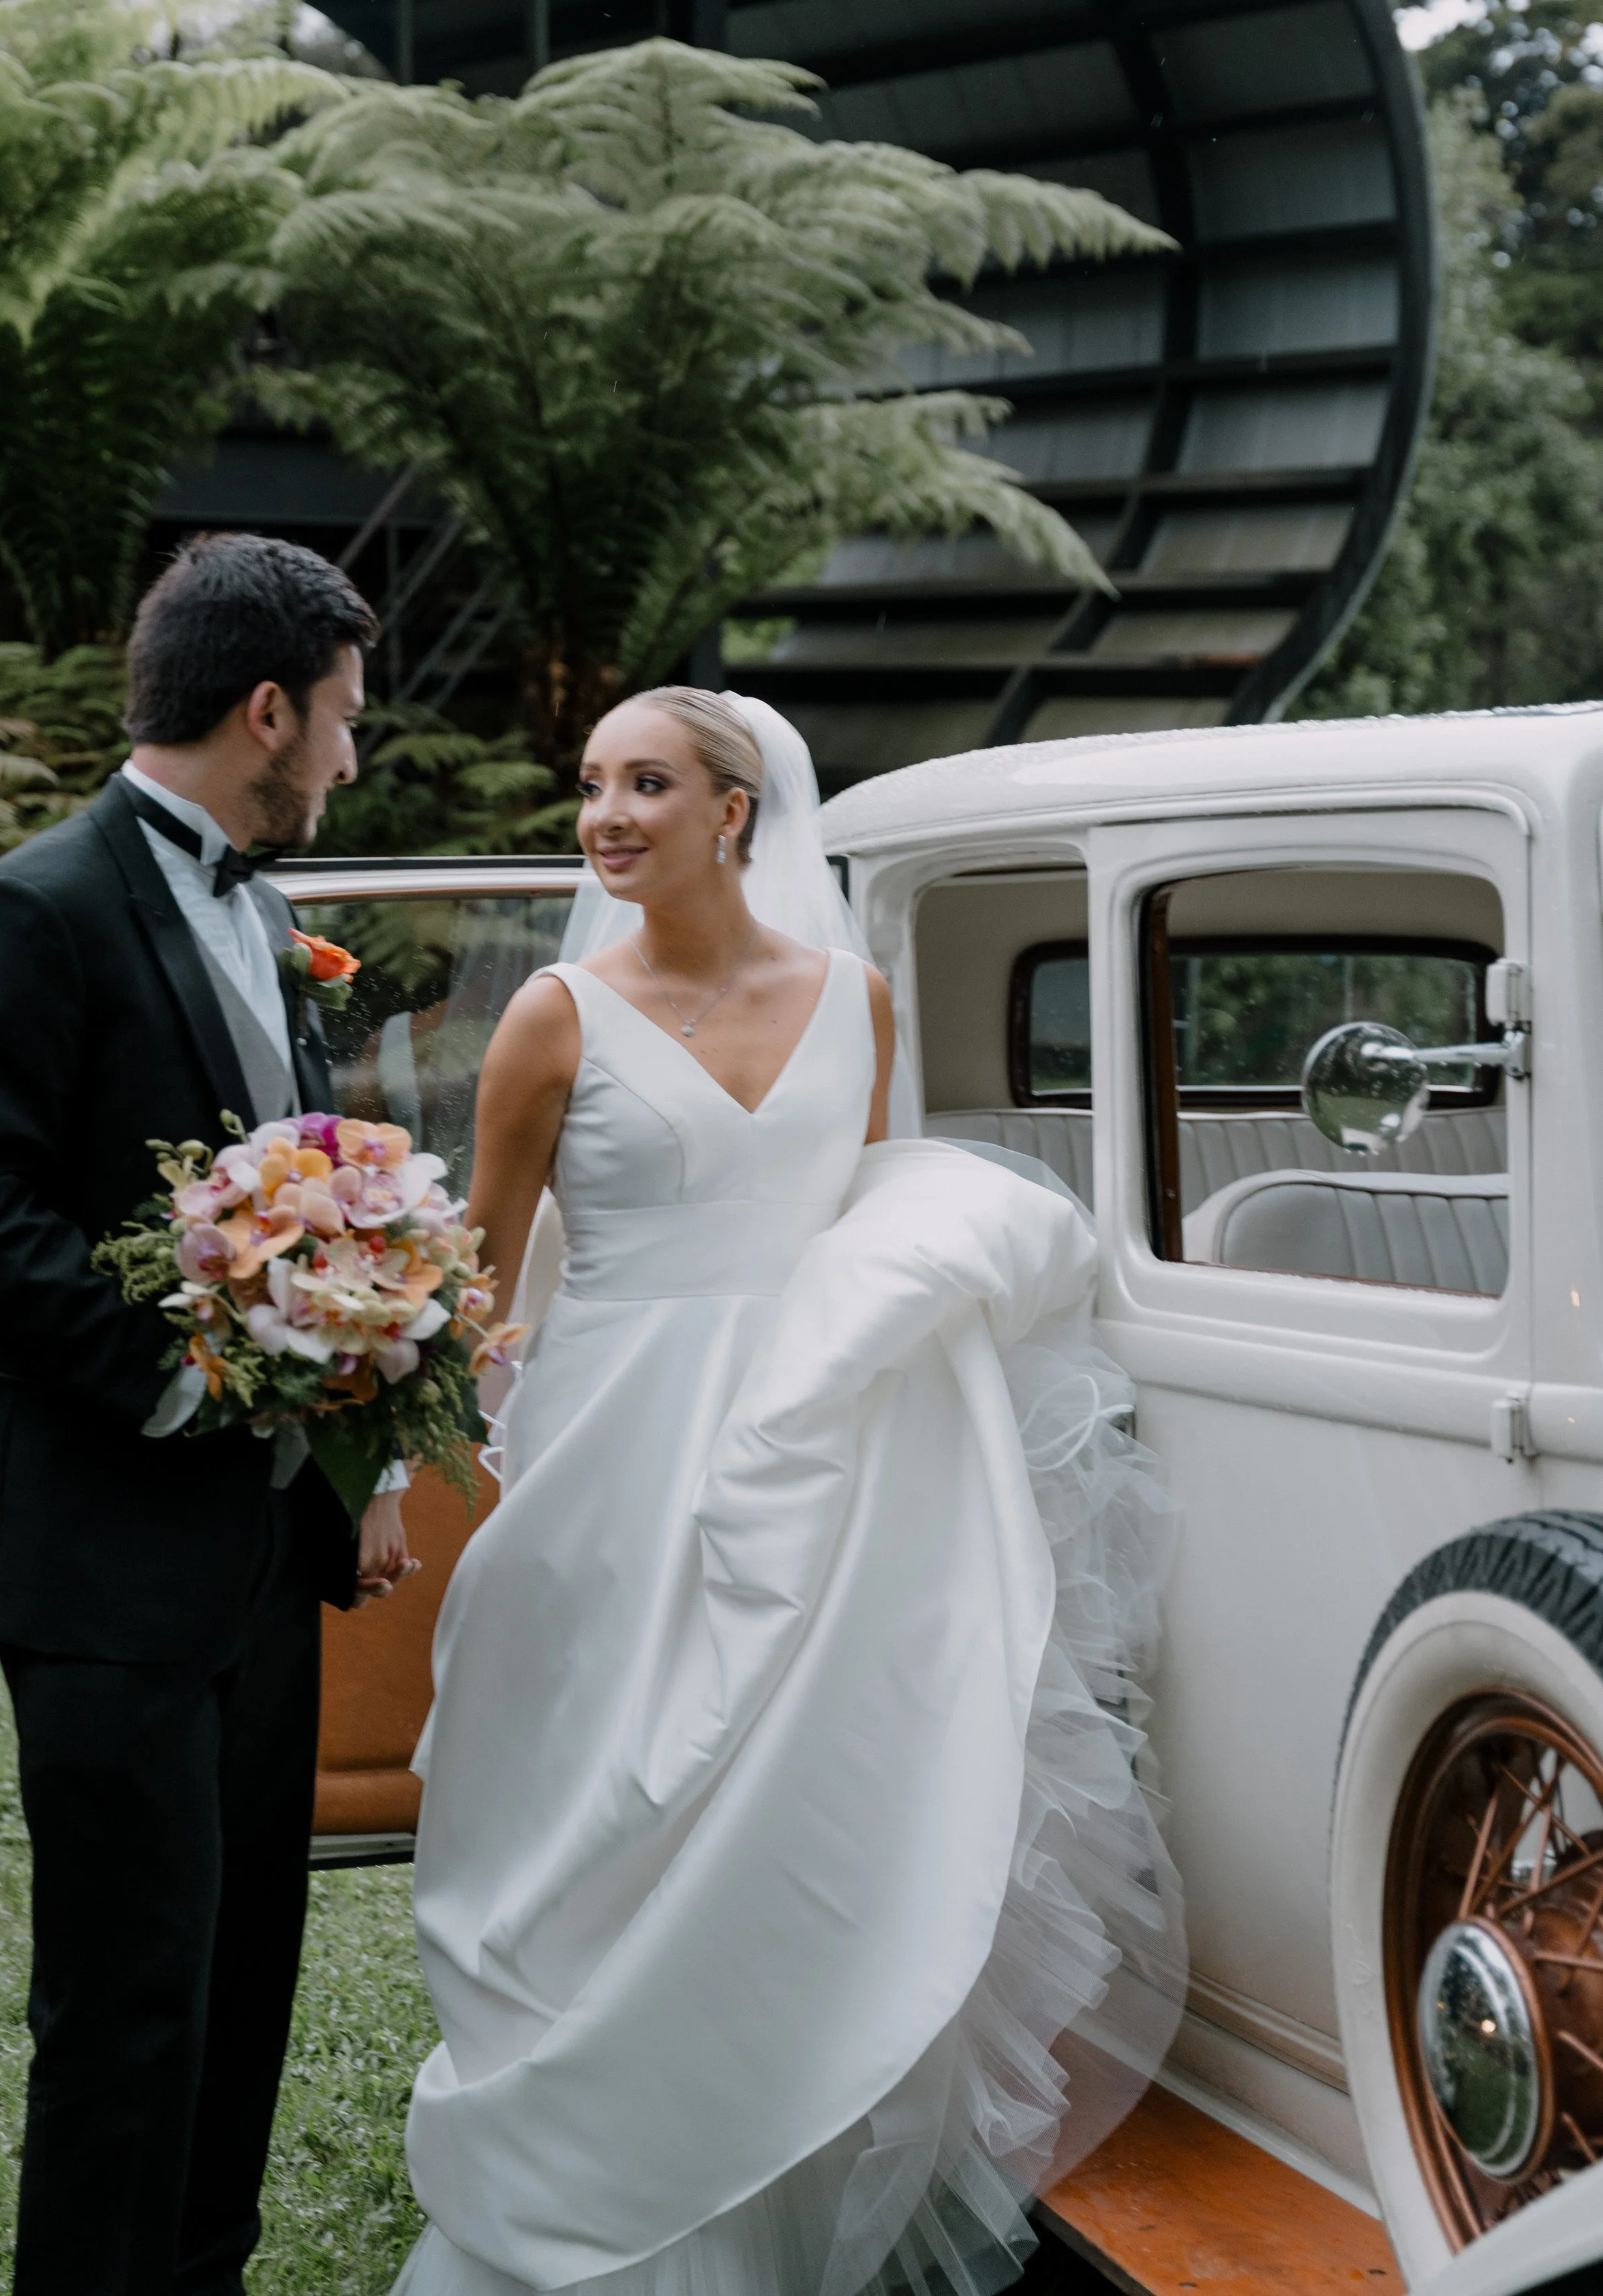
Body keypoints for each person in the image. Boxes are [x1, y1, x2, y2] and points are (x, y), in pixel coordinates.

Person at [393, 688, 1183, 2296]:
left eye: (647, 784)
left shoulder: (858, 1001)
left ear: (735, 811)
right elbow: (474, 1278)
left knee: (809, 1800)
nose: (606, 816)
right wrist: (397, 1445)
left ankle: (780, 2154)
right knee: (609, 1791)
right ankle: (588, 2171)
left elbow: (870, 1224)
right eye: (593, 787)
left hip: (819, 1452)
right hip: (612, 1453)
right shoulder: (552, 1016)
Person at [0, 533, 417, 2296]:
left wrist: (342, 1434)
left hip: (258, 1548)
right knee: (126, 1993)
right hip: (96, 1541)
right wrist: (177, 1363)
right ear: (264, 707)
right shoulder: (36, 904)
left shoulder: (269, 918)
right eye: (341, 719)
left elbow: (294, 1189)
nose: (349, 759)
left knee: (243, 1967)